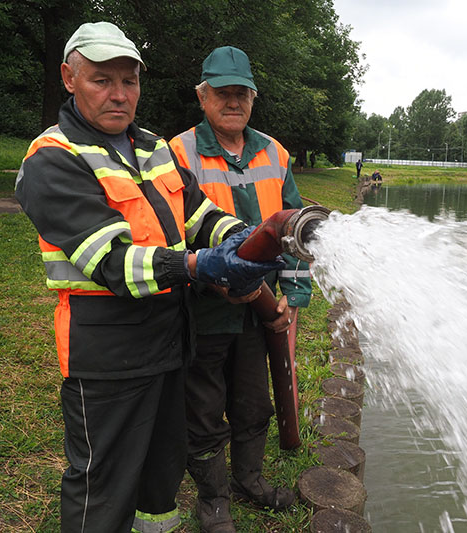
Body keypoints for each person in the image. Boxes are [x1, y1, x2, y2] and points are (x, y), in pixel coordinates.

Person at [15, 23, 281, 533]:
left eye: (129, 81)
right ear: (69, 78)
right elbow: (111, 260)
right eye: (101, 80)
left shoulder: (152, 145)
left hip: (170, 342)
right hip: (108, 358)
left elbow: (199, 214)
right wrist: (199, 266)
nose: (119, 94)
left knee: (161, 477)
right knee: (103, 483)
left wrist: (249, 236)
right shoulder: (53, 157)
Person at [169, 46, 311, 532]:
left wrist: (292, 295)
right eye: (222, 92)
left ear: (253, 97)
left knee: (253, 401)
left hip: (261, 308)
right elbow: (170, 231)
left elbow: (297, 233)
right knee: (204, 403)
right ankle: (214, 500)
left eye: (242, 93)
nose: (233, 101)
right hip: (204, 305)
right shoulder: (177, 153)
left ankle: (249, 479)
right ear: (202, 96)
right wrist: (216, 275)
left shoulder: (275, 153)